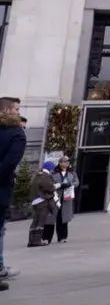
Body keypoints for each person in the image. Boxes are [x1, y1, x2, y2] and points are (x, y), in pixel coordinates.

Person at [0, 97, 25, 289]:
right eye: (16, 109)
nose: (18, 112)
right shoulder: (17, 133)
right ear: (7, 110)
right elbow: (10, 163)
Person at [44, 155, 78, 244]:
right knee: (50, 218)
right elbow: (49, 183)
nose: (67, 163)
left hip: (66, 198)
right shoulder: (54, 173)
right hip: (55, 197)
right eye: (65, 161)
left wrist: (71, 185)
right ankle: (46, 238)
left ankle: (62, 237)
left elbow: (76, 182)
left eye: (68, 161)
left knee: (63, 218)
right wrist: (59, 185)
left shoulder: (72, 173)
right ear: (60, 163)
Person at [27, 162, 56, 247]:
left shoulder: (37, 175)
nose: (53, 170)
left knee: (35, 221)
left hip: (35, 201)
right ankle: (37, 240)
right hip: (42, 200)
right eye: (52, 168)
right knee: (41, 221)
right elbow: (49, 187)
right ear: (50, 168)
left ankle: (31, 241)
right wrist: (54, 187)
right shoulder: (45, 176)